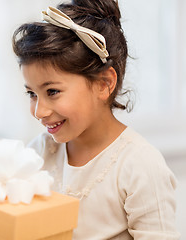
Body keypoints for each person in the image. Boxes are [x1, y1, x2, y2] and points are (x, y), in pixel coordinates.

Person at [12, 0, 180, 239]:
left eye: (52, 92)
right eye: (32, 94)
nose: (39, 111)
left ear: (104, 84)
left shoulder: (139, 166)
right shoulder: (40, 151)